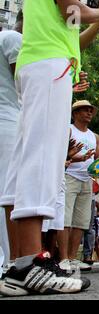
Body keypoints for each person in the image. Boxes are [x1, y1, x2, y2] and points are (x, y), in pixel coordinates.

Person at [0, 0, 99, 297]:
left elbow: (71, 27)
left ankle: (18, 265)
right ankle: (32, 262)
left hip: (44, 64)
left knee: (23, 162)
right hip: (49, 64)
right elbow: (74, 12)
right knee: (42, 159)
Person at [58, 100, 99, 273]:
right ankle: (62, 258)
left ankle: (72, 257)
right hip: (69, 177)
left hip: (87, 179)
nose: (89, 113)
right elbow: (61, 154)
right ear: (75, 113)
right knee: (65, 219)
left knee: (81, 221)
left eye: (90, 110)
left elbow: (97, 159)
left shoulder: (94, 136)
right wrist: (79, 159)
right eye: (85, 110)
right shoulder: (68, 130)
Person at [0, 11, 23, 276]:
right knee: (9, 193)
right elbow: (26, 87)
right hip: (9, 122)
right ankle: (11, 263)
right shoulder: (14, 38)